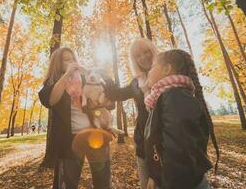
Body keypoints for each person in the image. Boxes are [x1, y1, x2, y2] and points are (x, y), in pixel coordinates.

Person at [143, 49, 220, 189]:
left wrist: (165, 182)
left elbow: (179, 152)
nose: (149, 70)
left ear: (167, 69)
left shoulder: (175, 97)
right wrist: (155, 176)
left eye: (153, 66)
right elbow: (159, 143)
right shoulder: (167, 97)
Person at [38, 47, 111, 189]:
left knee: (103, 182)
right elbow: (51, 100)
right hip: (69, 141)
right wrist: (66, 75)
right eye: (66, 60)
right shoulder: (52, 83)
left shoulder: (85, 79)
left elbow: (106, 92)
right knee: (68, 183)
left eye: (72, 59)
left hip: (95, 134)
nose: (71, 62)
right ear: (57, 63)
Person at [103, 38, 159, 189]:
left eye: (146, 51)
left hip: (165, 144)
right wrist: (105, 75)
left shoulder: (167, 73)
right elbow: (116, 94)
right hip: (143, 144)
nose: (143, 57)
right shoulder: (136, 83)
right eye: (138, 55)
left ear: (153, 50)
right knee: (145, 184)